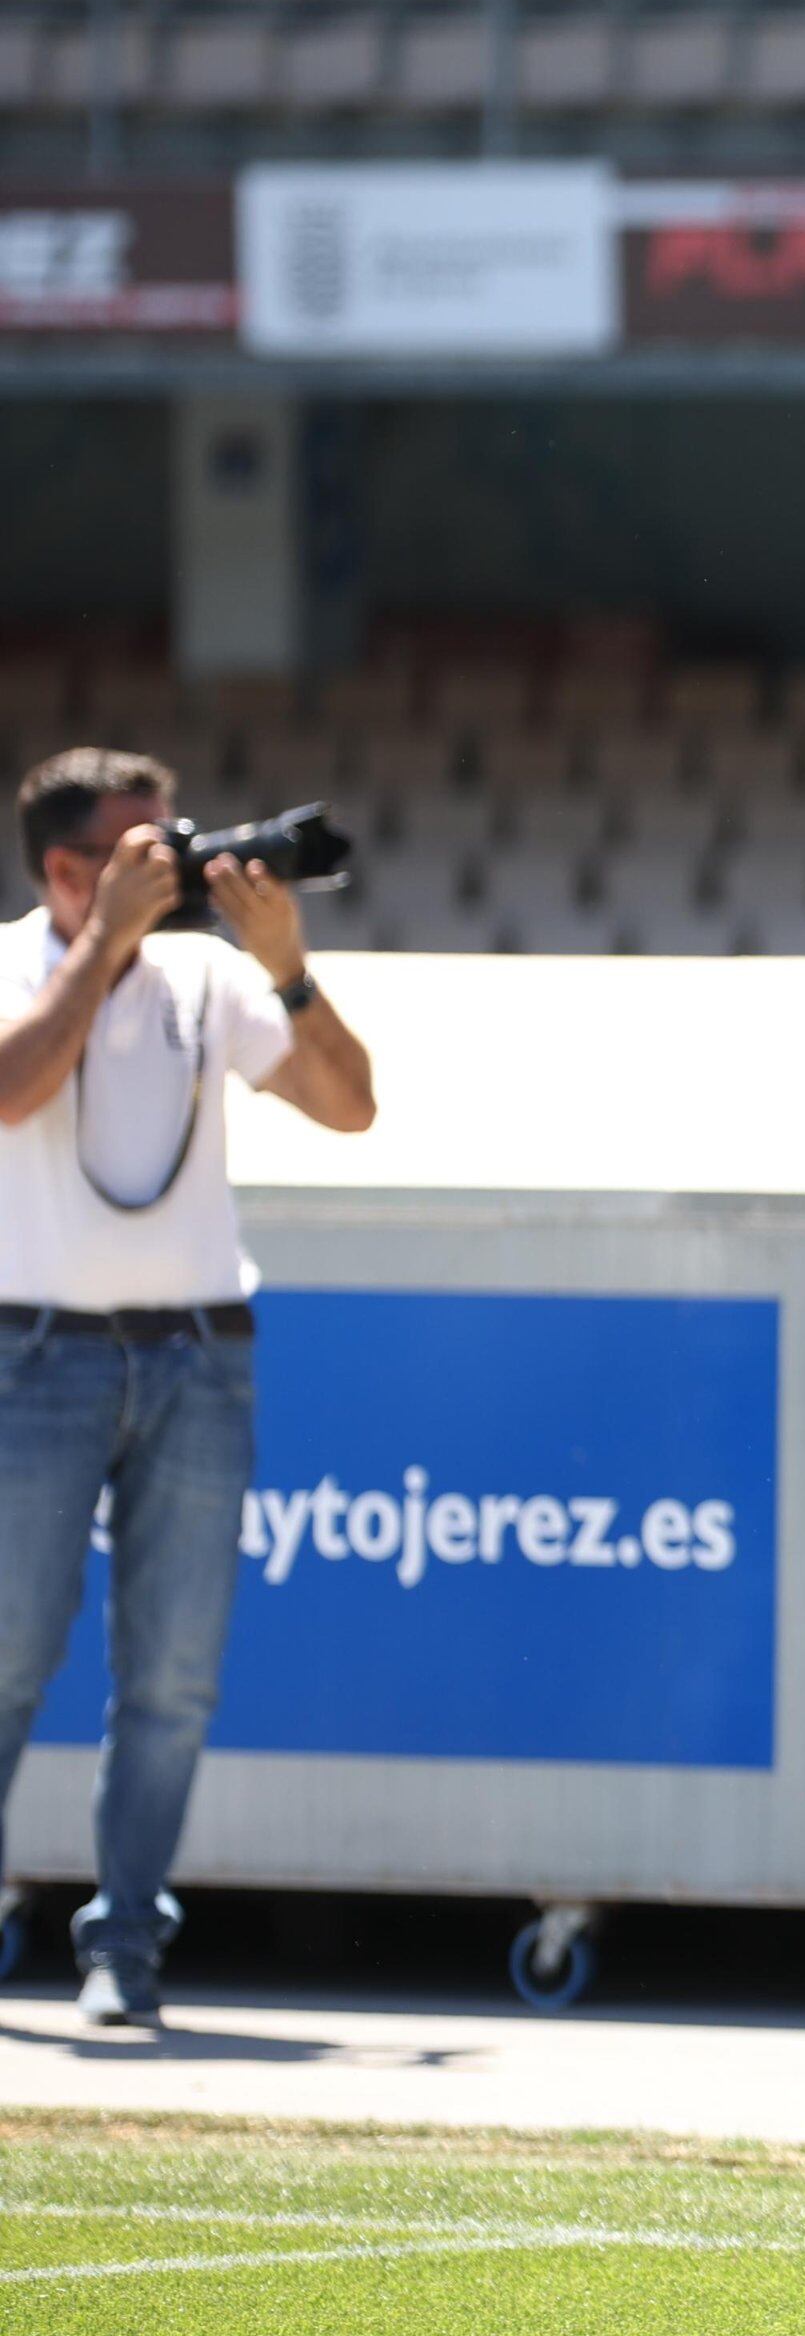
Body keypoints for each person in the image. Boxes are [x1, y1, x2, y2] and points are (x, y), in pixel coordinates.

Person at [0, 746, 374, 2031]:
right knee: (5, 1658)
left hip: (199, 1355)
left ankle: (127, 1953)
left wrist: (288, 967)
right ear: (64, 866)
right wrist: (101, 944)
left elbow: (350, 1106)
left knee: (171, 1675)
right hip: (33, 1352)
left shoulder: (205, 976)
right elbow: (12, 1089)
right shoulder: (14, 965)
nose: (175, 862)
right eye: (140, 848)